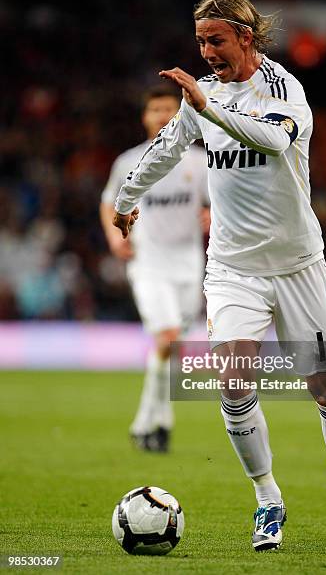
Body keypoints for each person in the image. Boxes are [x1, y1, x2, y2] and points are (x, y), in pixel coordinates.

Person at [112, 0, 326, 553]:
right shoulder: (199, 95)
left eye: (216, 40)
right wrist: (126, 198)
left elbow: (271, 139)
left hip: (299, 265)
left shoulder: (284, 90)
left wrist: (210, 110)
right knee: (234, 383)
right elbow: (163, 147)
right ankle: (267, 501)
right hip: (233, 268)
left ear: (245, 37)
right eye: (200, 41)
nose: (206, 52)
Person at [100, 83, 209, 452]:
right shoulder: (129, 161)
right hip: (149, 263)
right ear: (144, 117)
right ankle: (151, 422)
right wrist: (116, 239)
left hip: (189, 262)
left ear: (179, 115)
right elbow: (107, 202)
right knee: (167, 337)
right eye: (155, 110)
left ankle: (152, 422)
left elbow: (220, 202)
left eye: (169, 109)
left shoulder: (198, 161)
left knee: (171, 344)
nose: (163, 116)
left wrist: (212, 214)